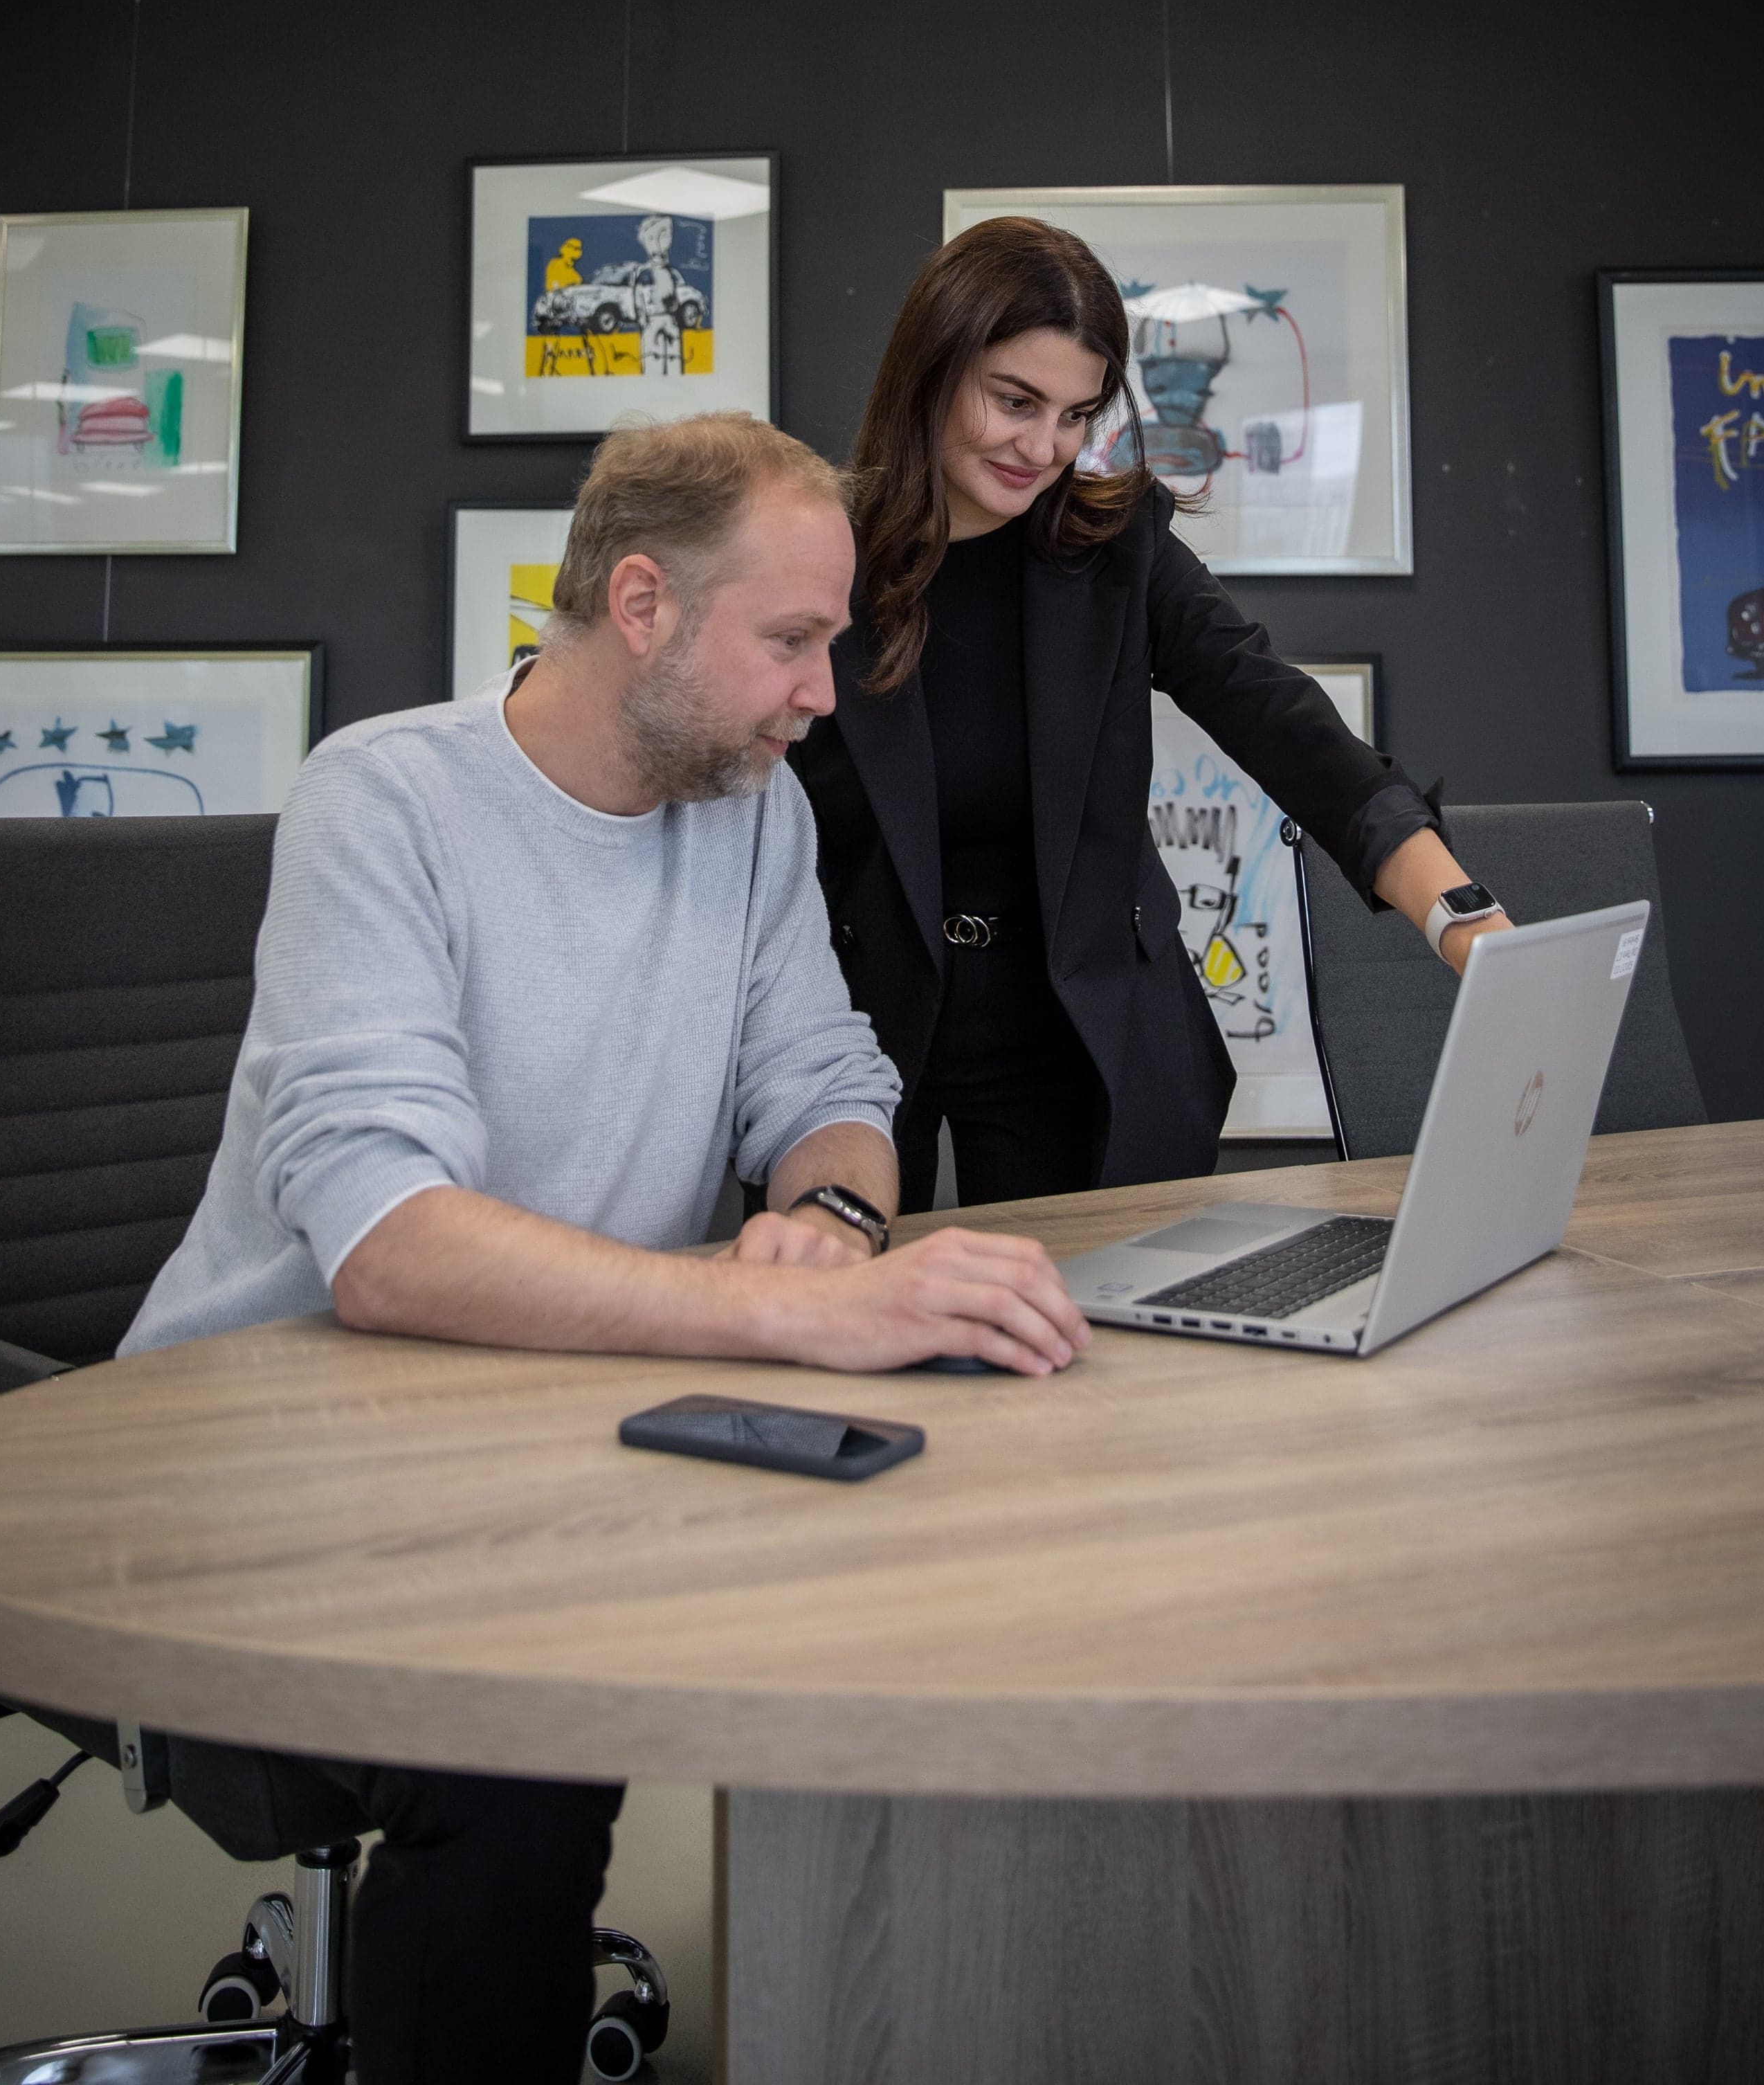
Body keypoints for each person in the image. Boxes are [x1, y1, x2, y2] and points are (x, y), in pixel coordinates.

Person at [120, 410, 1088, 2085]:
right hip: (265, 1460)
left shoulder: (754, 815)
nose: (821, 692)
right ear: (640, 601)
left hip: (551, 1421)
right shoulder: (384, 799)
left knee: (928, 1575)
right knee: (518, 1755)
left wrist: (830, 1219)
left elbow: (834, 1084)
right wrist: (775, 1314)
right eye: (789, 640)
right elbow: (388, 1246)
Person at [790, 219, 1510, 1213]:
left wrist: (1460, 915)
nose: (1043, 448)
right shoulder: (812, 552)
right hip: (846, 1030)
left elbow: (1276, 714)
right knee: (835, 1326)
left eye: (1076, 414)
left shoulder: (1116, 548)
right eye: (1014, 401)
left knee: (1099, 1343)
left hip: (1075, 1025)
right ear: (931, 369)